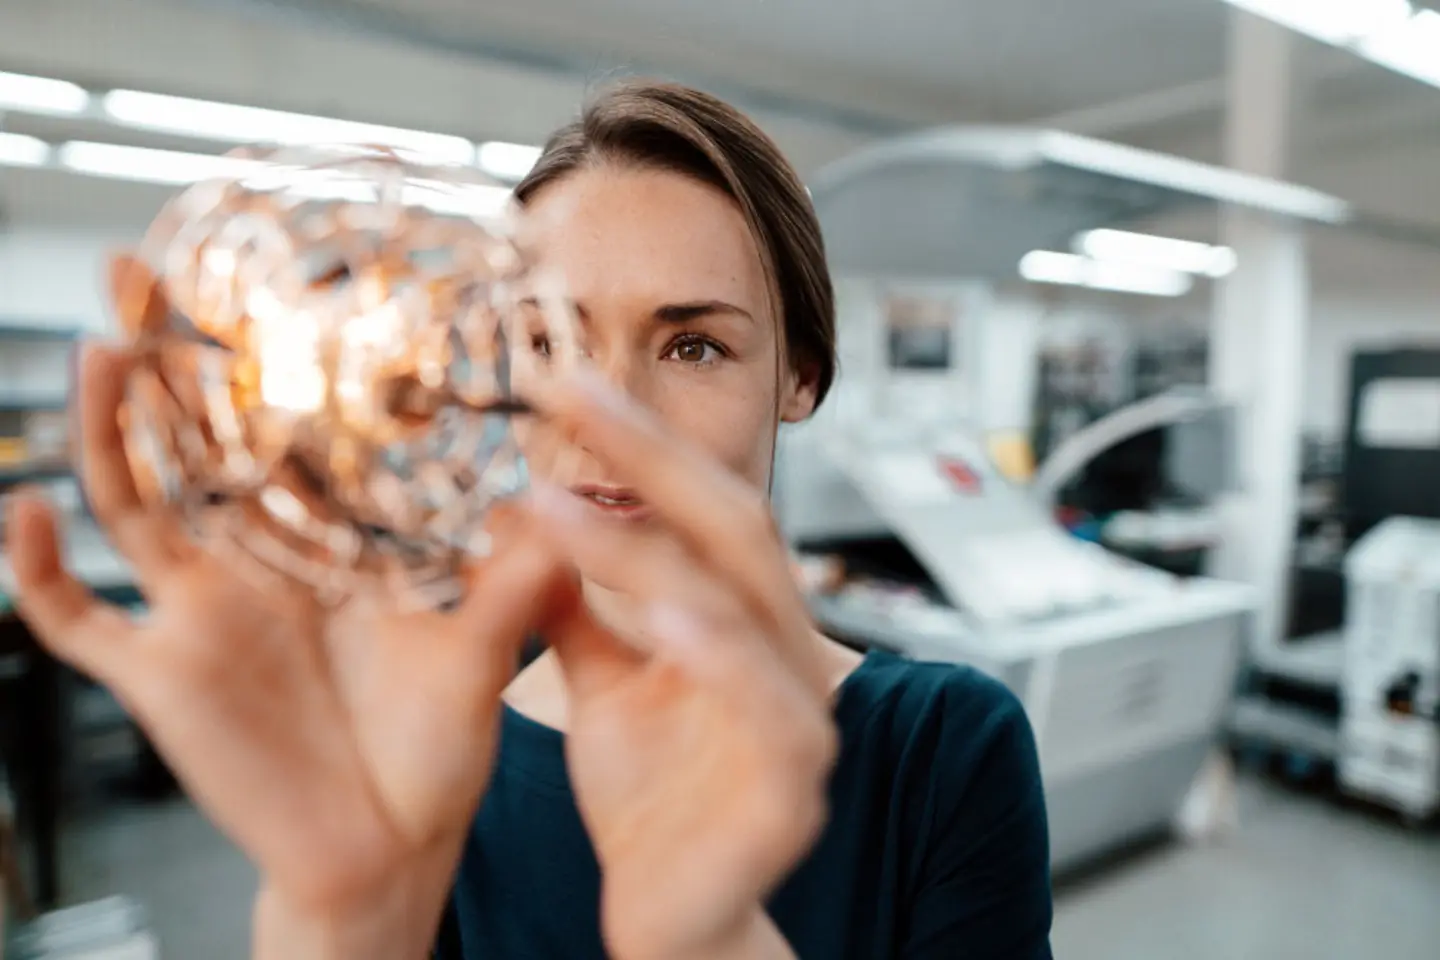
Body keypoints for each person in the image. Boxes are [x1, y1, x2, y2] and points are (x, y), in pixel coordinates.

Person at [4, 80, 1053, 960]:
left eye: (692, 346)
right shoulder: (428, 753)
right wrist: (343, 919)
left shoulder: (945, 750)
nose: (613, 416)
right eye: (551, 342)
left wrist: (715, 939)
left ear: (801, 376)